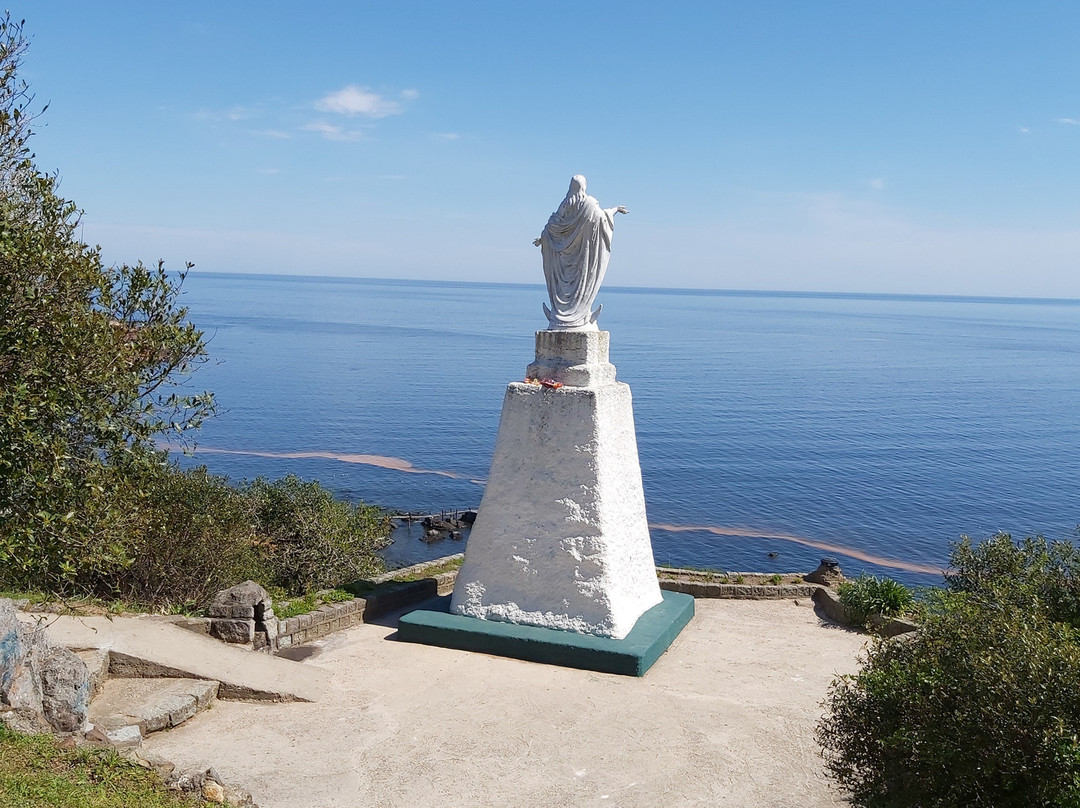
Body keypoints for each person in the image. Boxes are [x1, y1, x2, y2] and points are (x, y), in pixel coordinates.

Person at [534, 175, 628, 330]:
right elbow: (601, 218)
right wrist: (614, 210)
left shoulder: (566, 204)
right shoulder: (590, 204)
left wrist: (544, 238)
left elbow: (553, 226)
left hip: (563, 260)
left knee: (563, 287)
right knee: (582, 285)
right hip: (583, 260)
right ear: (584, 187)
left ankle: (561, 317)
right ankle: (579, 317)